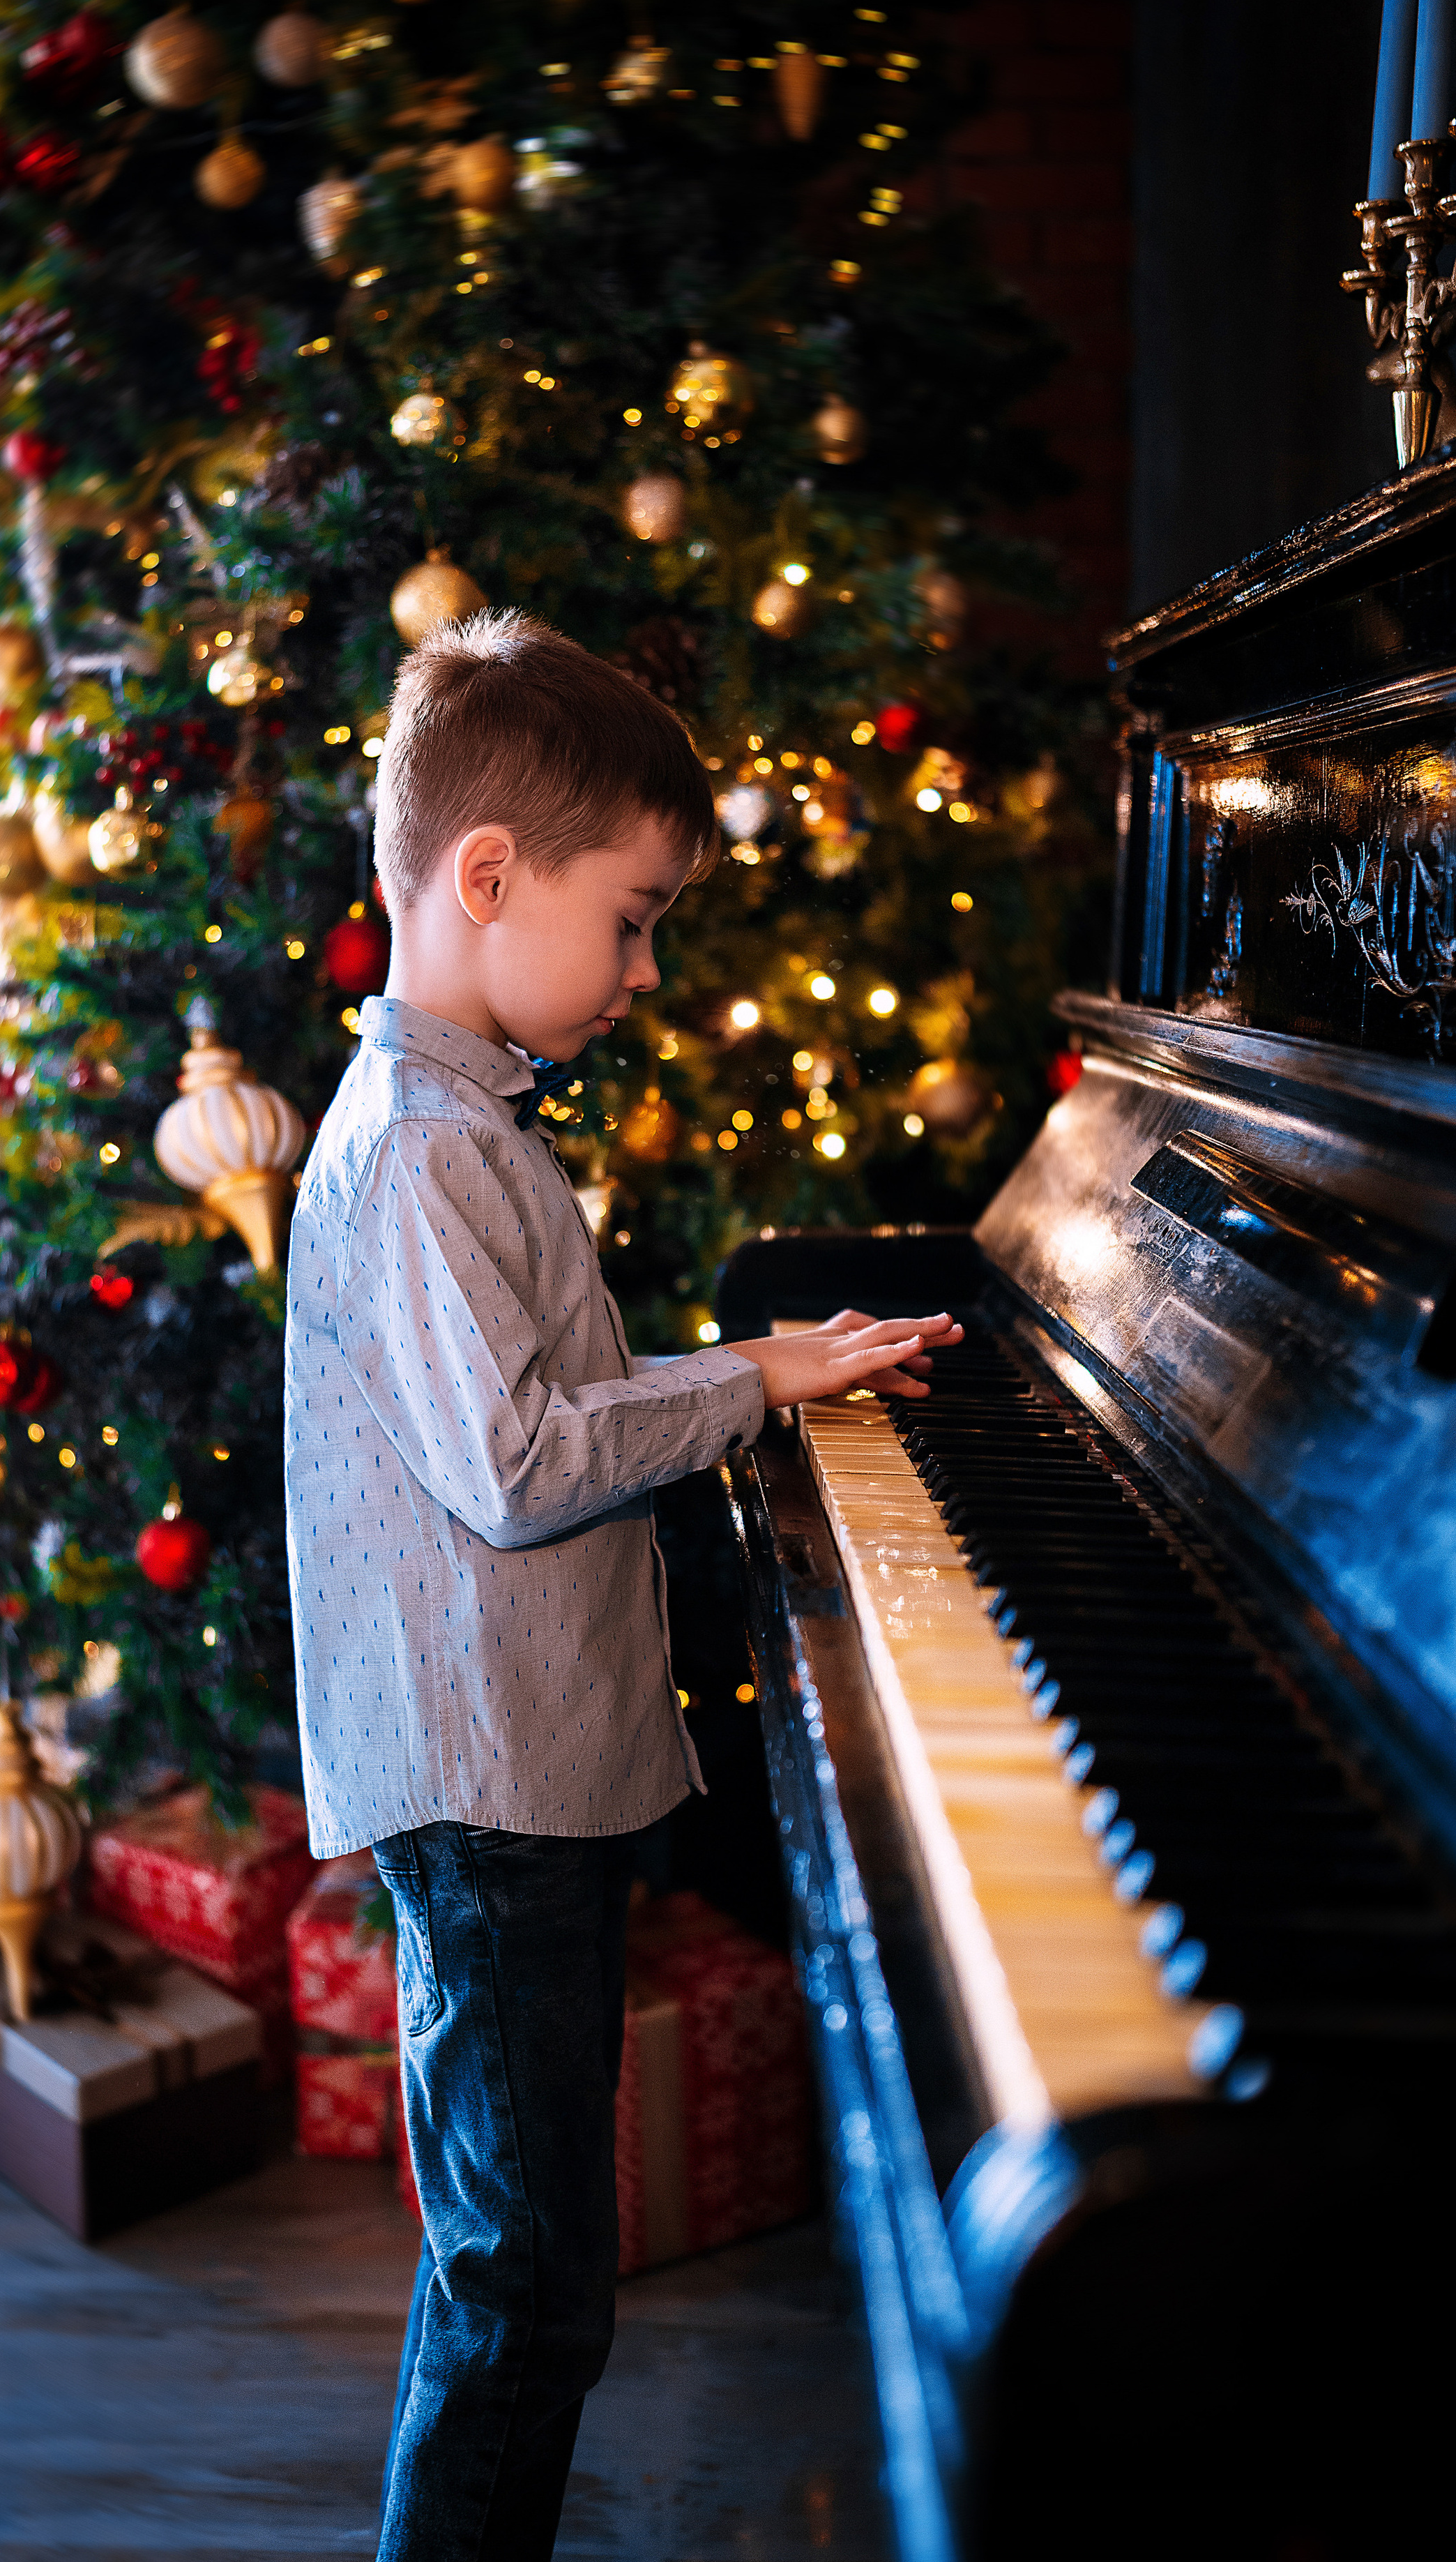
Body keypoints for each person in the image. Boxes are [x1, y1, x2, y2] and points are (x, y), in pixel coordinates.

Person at [283, 608, 961, 2562]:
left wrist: (760, 1369)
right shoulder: (420, 1153)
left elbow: (543, 1401)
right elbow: (519, 1467)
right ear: (488, 878)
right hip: (488, 1787)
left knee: (531, 2271)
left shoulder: (463, 1120)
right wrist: (747, 1380)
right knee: (522, 2290)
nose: (649, 970)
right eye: (636, 919)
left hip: (525, 1766)